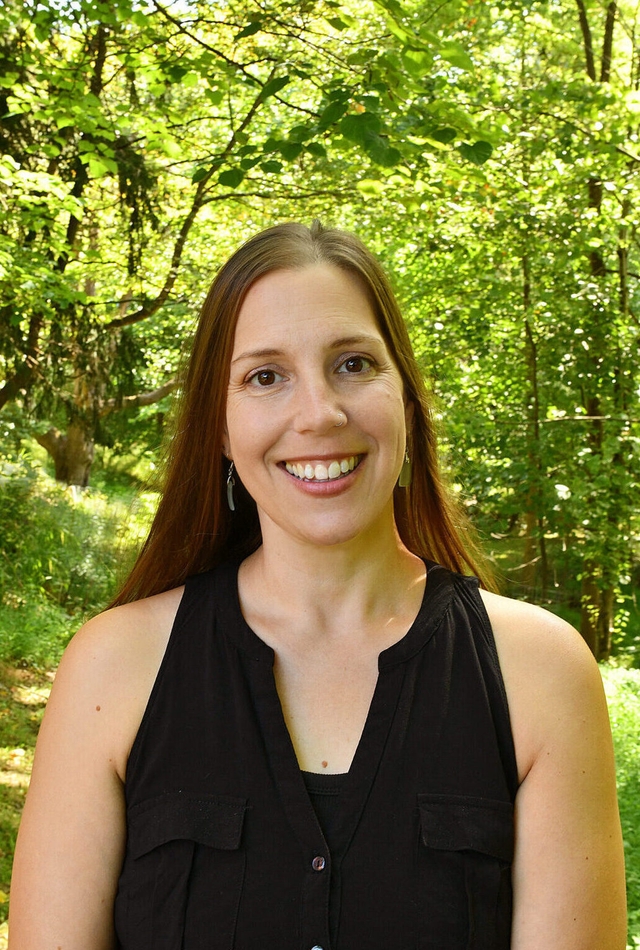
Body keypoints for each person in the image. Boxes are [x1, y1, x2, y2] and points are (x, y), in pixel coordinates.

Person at [9, 222, 626, 949]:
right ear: (219, 425)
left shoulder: (540, 673)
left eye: (355, 364)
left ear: (408, 400)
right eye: (265, 376)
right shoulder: (113, 668)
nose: (319, 414)